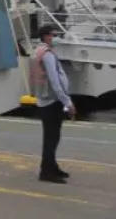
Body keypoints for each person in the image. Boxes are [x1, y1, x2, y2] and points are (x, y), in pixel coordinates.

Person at [31, 25, 75, 183]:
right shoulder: (47, 55)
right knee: (52, 138)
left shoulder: (38, 51)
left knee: (51, 137)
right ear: (45, 36)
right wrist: (67, 102)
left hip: (44, 99)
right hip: (52, 101)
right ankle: (46, 172)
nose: (55, 37)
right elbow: (55, 81)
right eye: (52, 35)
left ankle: (52, 166)